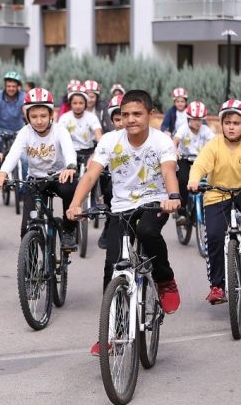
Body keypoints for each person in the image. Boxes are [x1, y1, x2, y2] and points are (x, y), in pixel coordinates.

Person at [65, 89, 182, 356]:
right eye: (125, 114)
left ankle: (165, 280)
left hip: (155, 202)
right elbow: (91, 174)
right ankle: (113, 333)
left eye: (137, 114)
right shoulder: (110, 140)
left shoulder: (161, 141)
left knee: (148, 231)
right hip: (121, 207)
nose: (130, 119)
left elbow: (167, 171)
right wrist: (75, 204)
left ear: (150, 115)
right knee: (112, 266)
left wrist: (173, 196)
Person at [0, 88, 78, 248]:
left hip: (59, 177)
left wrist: (71, 167)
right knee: (26, 228)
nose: (39, 121)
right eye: (34, 116)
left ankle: (68, 231)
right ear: (27, 117)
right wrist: (2, 173)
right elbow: (13, 154)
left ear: (51, 115)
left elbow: (69, 150)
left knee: (71, 188)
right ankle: (30, 267)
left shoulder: (60, 130)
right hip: (35, 180)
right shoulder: (24, 132)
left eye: (43, 116)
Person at [188, 99, 241, 304]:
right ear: (221, 124)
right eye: (228, 122)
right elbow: (200, 165)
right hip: (216, 195)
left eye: (236, 123)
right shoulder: (214, 144)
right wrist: (194, 180)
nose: (231, 126)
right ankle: (217, 286)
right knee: (216, 237)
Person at [173, 101, 215, 226]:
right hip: (185, 158)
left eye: (200, 120)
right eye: (194, 119)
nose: (197, 122)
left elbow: (214, 141)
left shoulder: (205, 130)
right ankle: (181, 211)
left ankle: (204, 208)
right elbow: (175, 140)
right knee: (183, 180)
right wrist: (175, 150)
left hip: (200, 160)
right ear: (188, 118)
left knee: (209, 182)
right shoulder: (183, 128)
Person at [97, 94, 125, 250]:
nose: (122, 123)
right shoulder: (108, 138)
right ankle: (109, 220)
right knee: (107, 187)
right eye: (117, 120)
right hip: (114, 180)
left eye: (125, 117)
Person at [58, 84, 103, 154]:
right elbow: (59, 135)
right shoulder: (64, 118)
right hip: (70, 152)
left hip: (89, 151)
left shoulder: (92, 117)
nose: (78, 106)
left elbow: (98, 133)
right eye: (75, 103)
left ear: (85, 103)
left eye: (81, 103)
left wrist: (102, 145)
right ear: (70, 103)